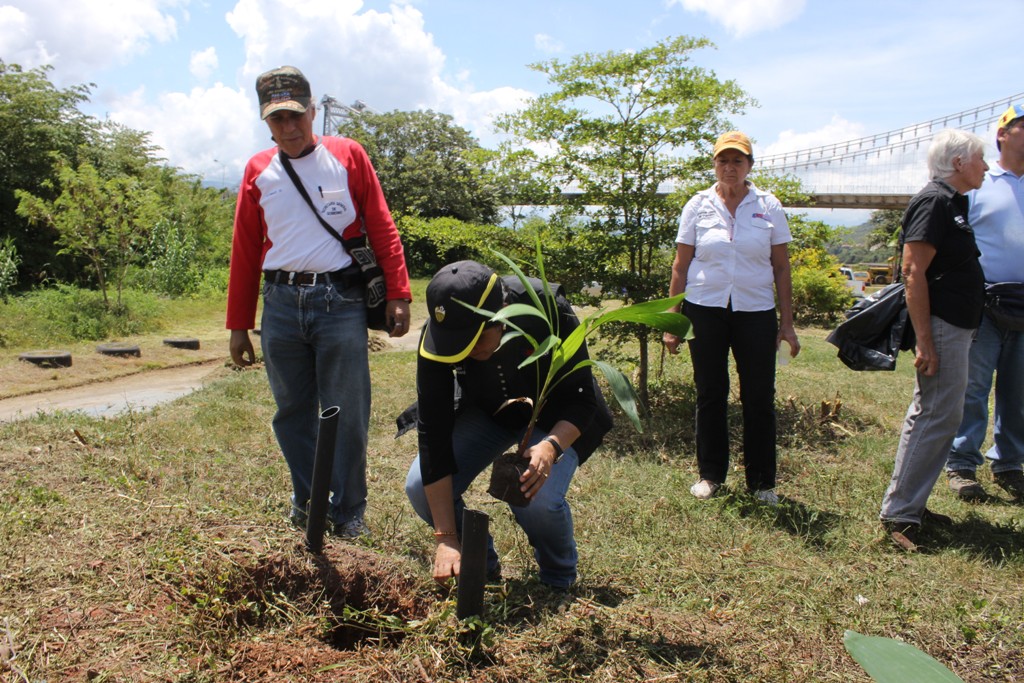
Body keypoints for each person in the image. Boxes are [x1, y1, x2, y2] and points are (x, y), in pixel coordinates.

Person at [226, 66, 412, 538]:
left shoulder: (348, 156)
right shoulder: (257, 170)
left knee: (346, 410)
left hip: (340, 301)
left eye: (295, 117)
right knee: (292, 411)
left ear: (312, 112)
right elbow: (245, 250)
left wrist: (399, 293)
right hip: (281, 304)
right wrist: (238, 325)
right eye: (277, 120)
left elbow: (382, 224)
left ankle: (349, 511)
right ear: (265, 122)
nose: (288, 129)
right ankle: (308, 501)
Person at [403, 261, 612, 589]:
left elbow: (582, 400)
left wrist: (550, 446)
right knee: (419, 488)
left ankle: (558, 580)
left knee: (534, 496)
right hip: (490, 413)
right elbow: (433, 430)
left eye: (473, 340)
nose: (466, 352)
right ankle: (478, 565)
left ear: (500, 313)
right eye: (458, 345)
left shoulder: (546, 307)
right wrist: (445, 537)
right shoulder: (443, 332)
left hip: (555, 419)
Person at [663, 131, 800, 505]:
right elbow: (681, 264)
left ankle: (762, 482)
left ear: (750, 166)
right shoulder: (697, 205)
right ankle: (711, 476)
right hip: (705, 309)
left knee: (759, 396)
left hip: (755, 311)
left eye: (737, 161)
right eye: (723, 160)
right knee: (711, 393)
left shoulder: (768, 206)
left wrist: (786, 323)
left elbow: (782, 268)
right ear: (715, 164)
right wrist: (672, 320)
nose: (729, 167)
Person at [879, 128, 989, 551]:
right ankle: (900, 515)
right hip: (941, 325)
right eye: (980, 158)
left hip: (955, 324)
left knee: (941, 413)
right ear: (959, 163)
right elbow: (912, 272)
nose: (986, 166)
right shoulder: (934, 201)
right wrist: (924, 340)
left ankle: (911, 505)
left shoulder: (952, 202)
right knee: (936, 414)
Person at [945, 104, 1024, 502]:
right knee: (973, 388)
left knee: (1019, 390)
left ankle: (1010, 463)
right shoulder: (981, 182)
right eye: (1023, 127)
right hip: (985, 303)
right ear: (1002, 135)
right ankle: (961, 464)